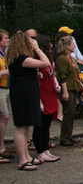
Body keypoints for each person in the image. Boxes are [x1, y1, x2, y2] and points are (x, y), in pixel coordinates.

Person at [7, 32, 51, 171]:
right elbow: (46, 62)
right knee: (21, 127)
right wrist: (37, 48)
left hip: (26, 92)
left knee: (26, 127)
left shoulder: (18, 59)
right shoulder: (21, 59)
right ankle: (22, 160)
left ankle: (26, 157)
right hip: (22, 94)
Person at [55, 36, 83, 147]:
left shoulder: (71, 58)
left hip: (74, 87)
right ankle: (64, 137)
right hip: (67, 88)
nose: (74, 46)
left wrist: (81, 86)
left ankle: (69, 135)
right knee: (68, 112)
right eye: (72, 44)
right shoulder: (62, 59)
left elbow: (75, 74)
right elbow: (62, 76)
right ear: (67, 46)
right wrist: (64, 91)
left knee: (72, 112)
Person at [32, 35, 60, 163]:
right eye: (48, 43)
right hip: (41, 92)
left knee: (47, 123)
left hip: (50, 90)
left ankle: (46, 149)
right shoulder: (36, 59)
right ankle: (40, 152)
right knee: (40, 124)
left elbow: (52, 72)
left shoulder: (49, 58)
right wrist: (38, 100)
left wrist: (56, 83)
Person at [0, 29, 11, 161]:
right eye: (6, 38)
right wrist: (5, 72)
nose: (8, 40)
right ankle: (1, 147)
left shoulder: (5, 53)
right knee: (4, 116)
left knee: (5, 117)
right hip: (0, 87)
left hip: (7, 86)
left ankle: (2, 146)